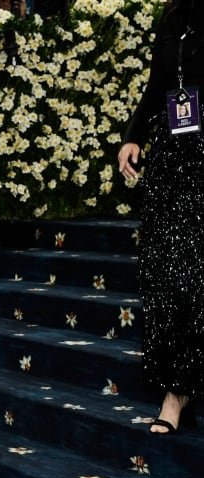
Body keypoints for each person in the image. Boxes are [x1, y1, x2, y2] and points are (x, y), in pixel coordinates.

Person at [117, 0, 204, 434]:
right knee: (168, 273)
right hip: (174, 157)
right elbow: (157, 86)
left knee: (196, 274)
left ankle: (181, 387)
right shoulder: (172, 17)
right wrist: (132, 137)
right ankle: (178, 384)